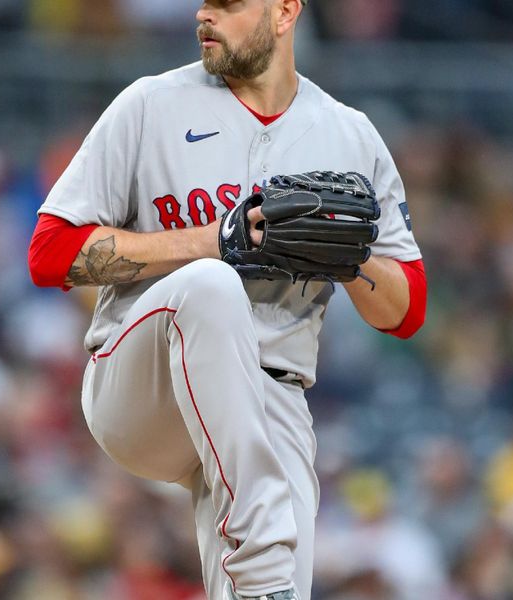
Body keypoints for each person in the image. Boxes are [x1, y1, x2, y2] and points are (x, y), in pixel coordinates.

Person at [27, 1, 427, 598]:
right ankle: (263, 566)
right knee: (212, 283)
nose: (204, 14)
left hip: (268, 395)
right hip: (144, 381)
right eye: (204, 2)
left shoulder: (349, 134)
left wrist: (353, 257)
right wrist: (218, 239)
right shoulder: (150, 105)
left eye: (228, 3)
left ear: (286, 10)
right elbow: (50, 253)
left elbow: (408, 310)